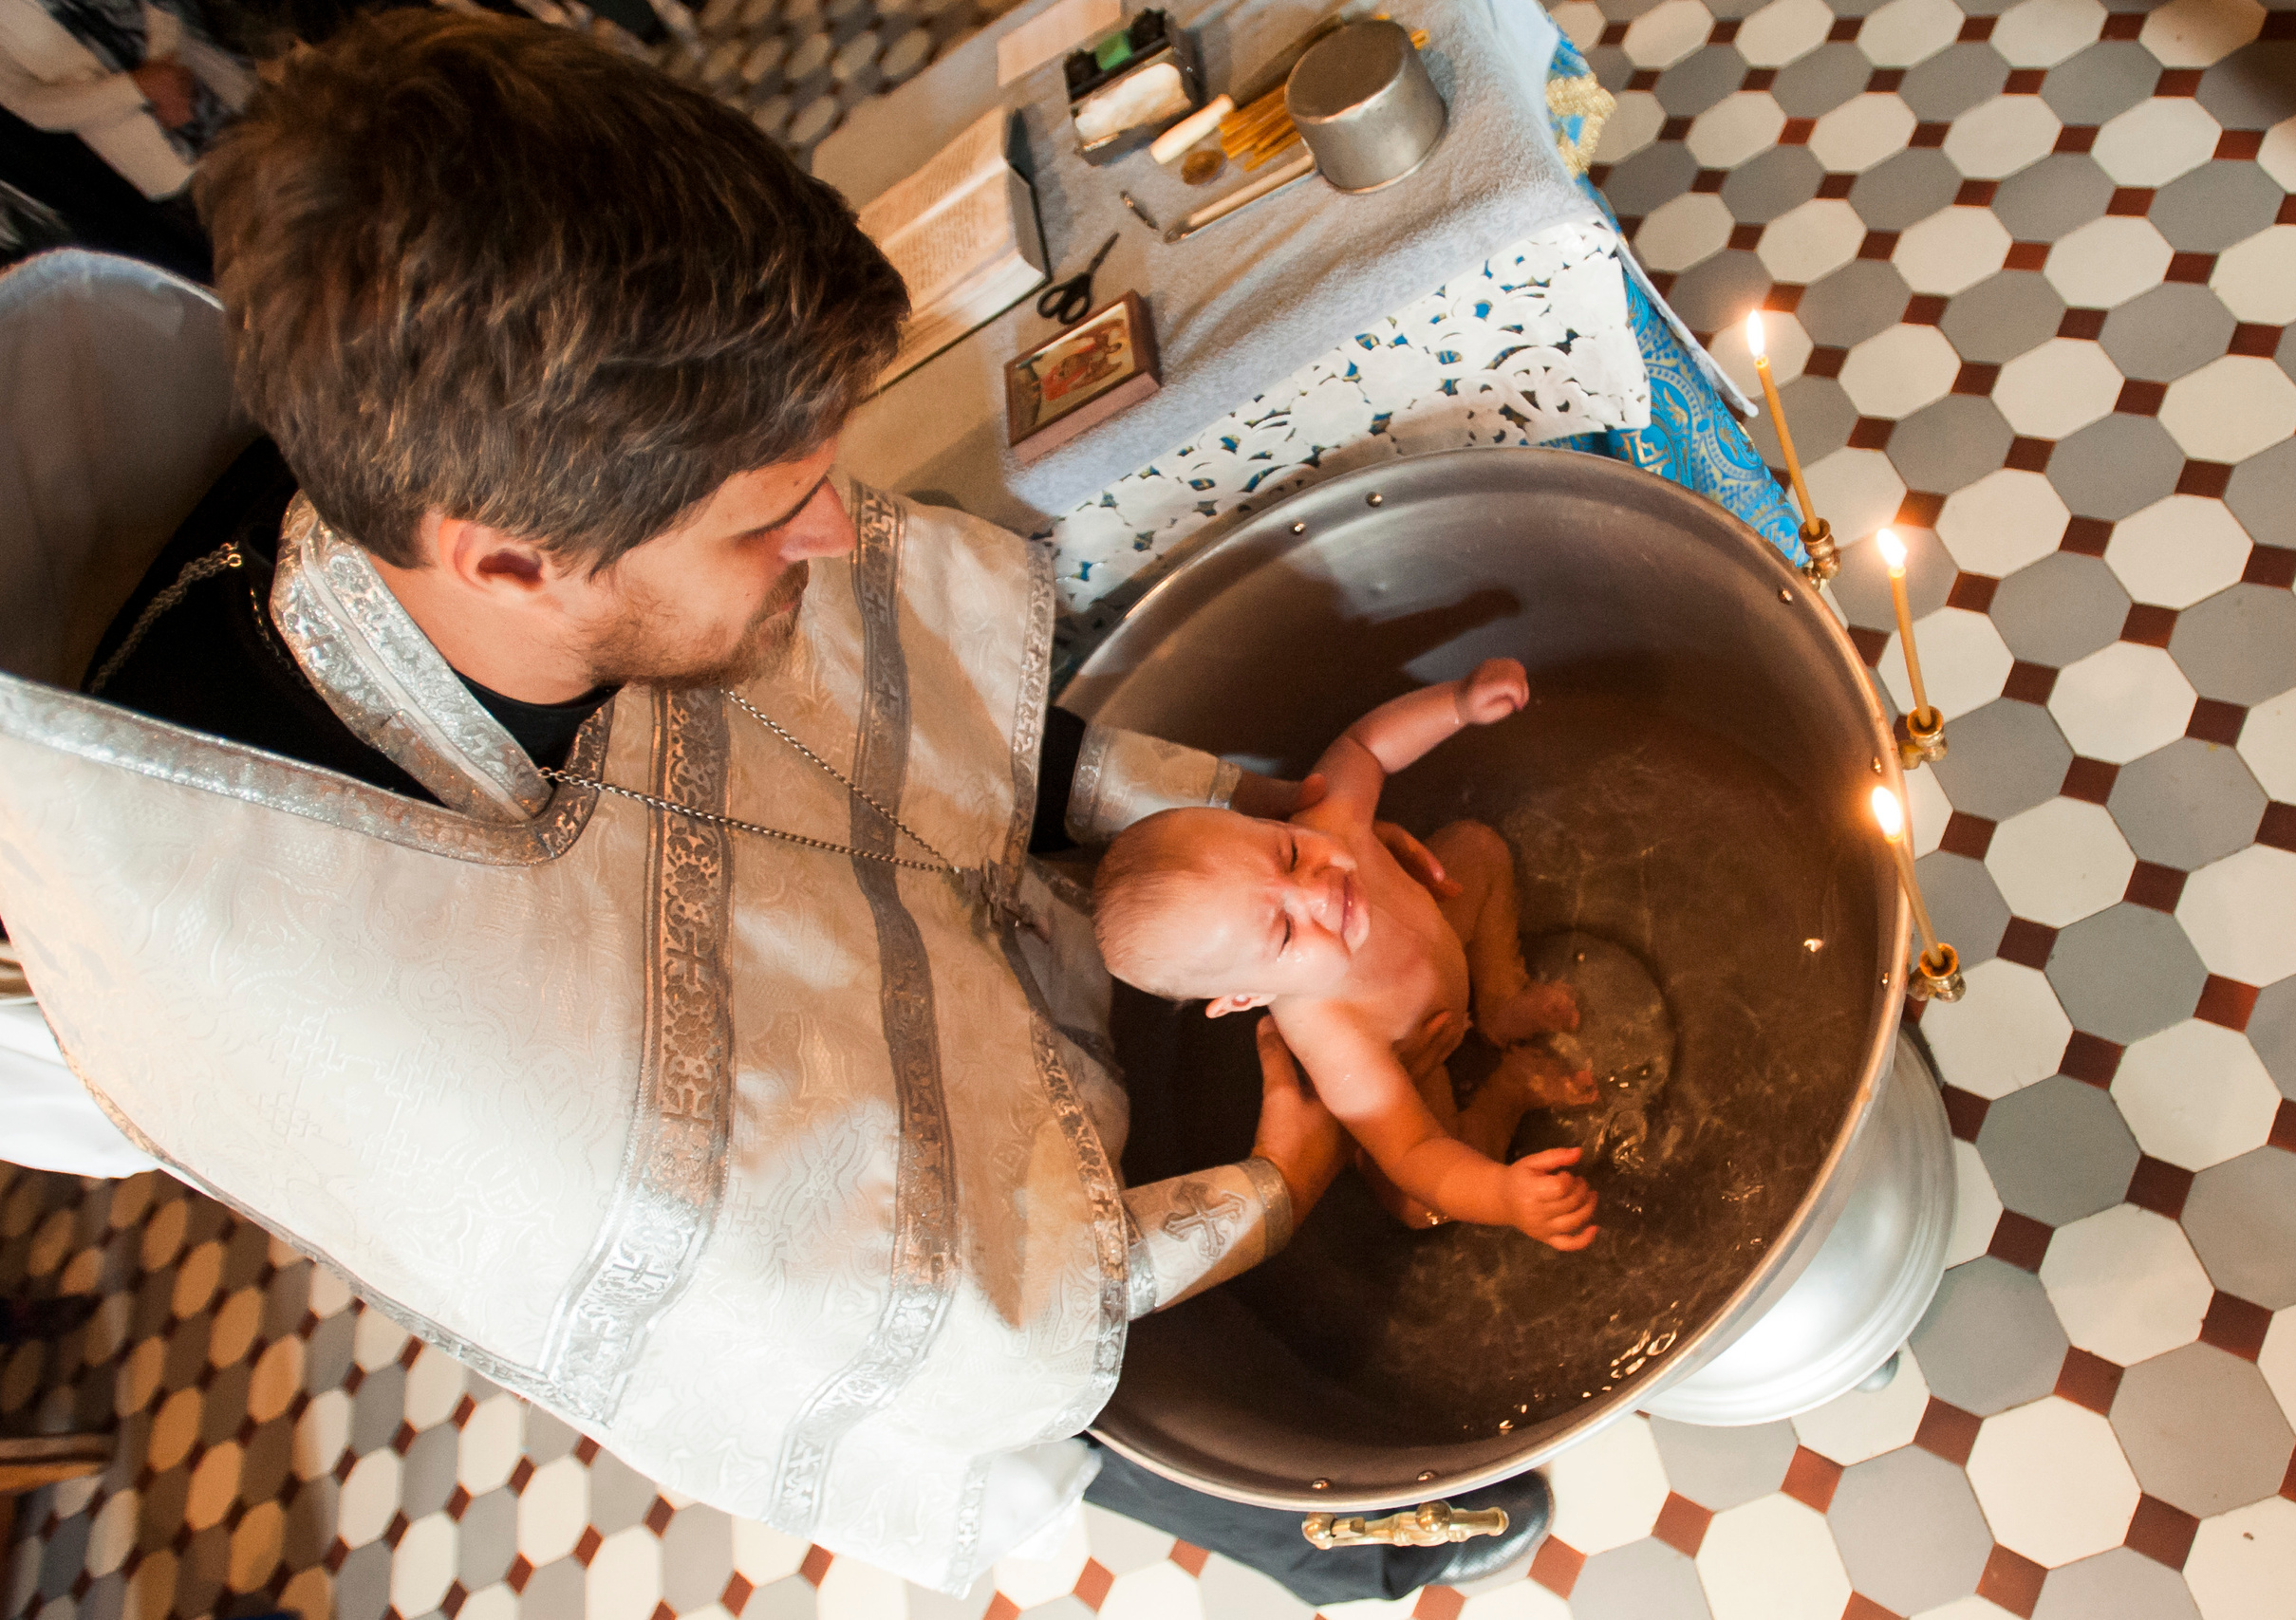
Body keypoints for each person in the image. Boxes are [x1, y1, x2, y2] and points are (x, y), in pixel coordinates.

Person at [0, 9, 1551, 1602]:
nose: (841, 535)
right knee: (995, 1394)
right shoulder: (442, 1043)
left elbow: (902, 729)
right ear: (513, 564)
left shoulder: (510, 438)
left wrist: (1244, 809)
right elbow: (890, 1307)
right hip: (692, 1176)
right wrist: (1270, 1192)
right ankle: (1314, 1537)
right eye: (766, 517)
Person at [1094, 659, 1602, 1249]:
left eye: (1286, 854)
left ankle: (1499, 998)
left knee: (1477, 848)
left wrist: (1458, 703)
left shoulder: (1328, 824)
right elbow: (1415, 1150)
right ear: (1247, 996)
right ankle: (1507, 1092)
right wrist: (1505, 1197)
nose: (1318, 890)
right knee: (1421, 1204)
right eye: (1285, 931)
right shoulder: (1332, 1034)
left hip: (1443, 938)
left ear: (1267, 822)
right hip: (1419, 1064)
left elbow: (1364, 747)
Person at [0, 0, 251, 278]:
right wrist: (138, 88)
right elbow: (35, 107)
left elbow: (160, 5)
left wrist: (163, 71)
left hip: (207, 88)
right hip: (157, 154)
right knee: (250, 254)